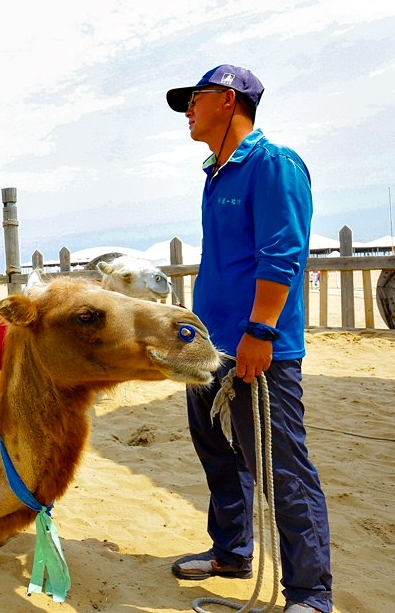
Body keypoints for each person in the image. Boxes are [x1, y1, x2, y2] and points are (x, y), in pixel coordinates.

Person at [165, 66, 332, 613]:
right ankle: (233, 551)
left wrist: (261, 330)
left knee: (282, 468)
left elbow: (282, 254)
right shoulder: (214, 173)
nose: (188, 109)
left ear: (228, 100)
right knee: (217, 450)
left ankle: (310, 593)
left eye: (196, 99)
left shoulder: (273, 164)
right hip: (209, 348)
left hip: (259, 350)